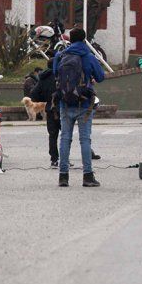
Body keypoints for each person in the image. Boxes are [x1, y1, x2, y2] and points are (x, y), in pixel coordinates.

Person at [53, 27, 106, 187]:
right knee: (85, 139)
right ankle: (87, 176)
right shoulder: (88, 56)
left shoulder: (60, 55)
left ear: (70, 39)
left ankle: (63, 176)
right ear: (84, 40)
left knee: (65, 138)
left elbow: (55, 73)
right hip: (84, 103)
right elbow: (101, 77)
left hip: (64, 102)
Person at [30, 58, 60, 167]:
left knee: (52, 135)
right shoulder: (61, 74)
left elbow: (34, 93)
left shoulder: (43, 77)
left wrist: (45, 99)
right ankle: (65, 158)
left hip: (50, 109)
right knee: (66, 136)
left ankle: (54, 159)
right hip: (62, 108)